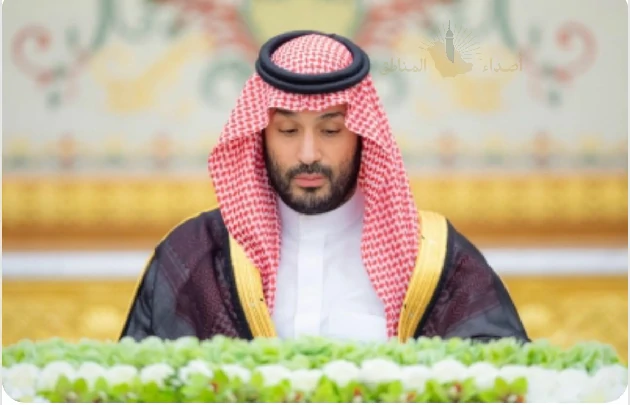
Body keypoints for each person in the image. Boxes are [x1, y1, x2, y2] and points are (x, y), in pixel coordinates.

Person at [120, 30, 529, 344]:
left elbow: (503, 381)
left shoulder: (433, 259)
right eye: (288, 130)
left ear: (362, 135)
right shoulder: (195, 257)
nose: (308, 153)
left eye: (331, 130)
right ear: (260, 135)